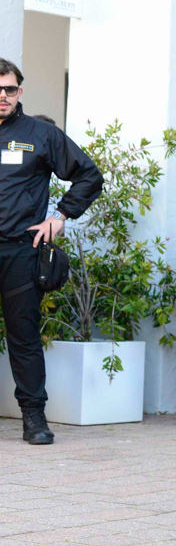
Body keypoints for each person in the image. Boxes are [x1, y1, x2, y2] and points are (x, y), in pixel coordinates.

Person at [0, 58, 104, 445]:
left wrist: (59, 217)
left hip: (21, 250)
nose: (3, 95)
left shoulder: (41, 134)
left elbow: (89, 175)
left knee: (24, 337)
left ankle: (33, 418)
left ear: (20, 91)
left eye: (9, 89)